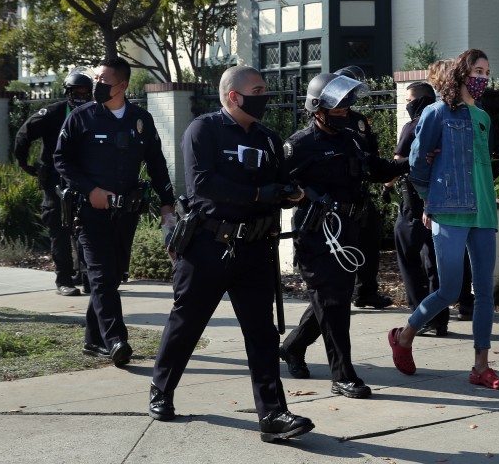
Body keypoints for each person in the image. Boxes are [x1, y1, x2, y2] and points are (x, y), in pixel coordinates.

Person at [148, 66, 314, 444]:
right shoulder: (203, 129)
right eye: (257, 89)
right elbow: (203, 182)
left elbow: (282, 180)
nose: (264, 96)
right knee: (186, 322)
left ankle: (272, 415)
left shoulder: (268, 139)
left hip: (254, 247)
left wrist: (292, 191)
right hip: (207, 245)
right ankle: (161, 389)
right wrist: (260, 194)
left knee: (262, 333)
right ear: (233, 96)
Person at [278, 72, 408, 398]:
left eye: (346, 108)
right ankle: (343, 375)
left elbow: (375, 169)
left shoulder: (351, 138)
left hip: (349, 232)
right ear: (316, 109)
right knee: (333, 302)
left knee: (330, 301)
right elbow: (279, 187)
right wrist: (300, 194)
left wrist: (411, 163)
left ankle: (292, 347)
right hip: (316, 235)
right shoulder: (299, 145)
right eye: (336, 109)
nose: (344, 113)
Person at [387, 49, 499, 390]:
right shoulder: (437, 112)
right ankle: (405, 335)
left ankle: (481, 365)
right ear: (461, 73)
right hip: (450, 209)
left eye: (487, 71)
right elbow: (417, 163)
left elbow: (481, 166)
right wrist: (430, 200)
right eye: (477, 70)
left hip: (484, 210)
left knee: (485, 291)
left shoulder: (483, 116)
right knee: (449, 289)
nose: (483, 77)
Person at [54, 57, 175, 367]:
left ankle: (93, 340)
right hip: (89, 213)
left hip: (126, 213)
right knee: (101, 277)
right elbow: (62, 160)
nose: (97, 84)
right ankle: (116, 339)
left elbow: (157, 163)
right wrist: (89, 189)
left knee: (113, 275)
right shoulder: (81, 118)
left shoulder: (140, 119)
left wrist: (167, 202)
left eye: (103, 80)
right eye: (96, 78)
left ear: (121, 85)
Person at [14, 71, 93, 296]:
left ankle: (87, 277)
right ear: (68, 92)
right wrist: (26, 165)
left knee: (86, 228)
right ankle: (64, 280)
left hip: (85, 180)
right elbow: (23, 135)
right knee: (59, 228)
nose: (80, 95)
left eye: (85, 91)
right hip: (55, 182)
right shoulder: (52, 113)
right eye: (76, 91)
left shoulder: (95, 113)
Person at [388, 80, 450, 335]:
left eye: (409, 99)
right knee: (434, 261)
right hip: (441, 203)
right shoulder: (446, 124)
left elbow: (397, 162)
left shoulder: (414, 126)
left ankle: (420, 316)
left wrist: (386, 179)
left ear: (420, 101)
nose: (407, 104)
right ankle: (439, 319)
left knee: (409, 259)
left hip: (414, 205)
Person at [333, 65, 393, 310]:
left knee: (369, 240)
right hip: (338, 194)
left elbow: (371, 150)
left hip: (361, 190)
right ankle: (340, 292)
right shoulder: (326, 115)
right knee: (344, 245)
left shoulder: (357, 120)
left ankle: (367, 292)